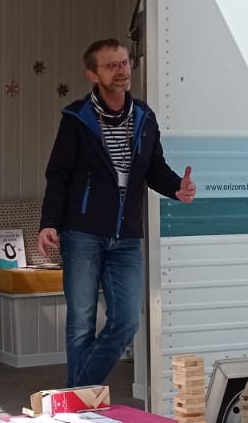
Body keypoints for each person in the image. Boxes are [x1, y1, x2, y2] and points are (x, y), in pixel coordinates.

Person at [38, 38, 195, 388]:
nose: (122, 70)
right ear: (93, 74)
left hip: (126, 237)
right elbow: (58, 174)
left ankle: (75, 395)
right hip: (82, 233)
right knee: (81, 321)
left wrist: (176, 189)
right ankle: (80, 408)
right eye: (112, 65)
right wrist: (49, 223)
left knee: (126, 320)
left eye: (124, 63)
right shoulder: (77, 118)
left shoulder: (144, 117)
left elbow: (154, 168)